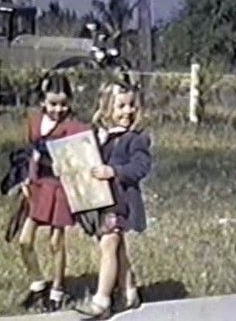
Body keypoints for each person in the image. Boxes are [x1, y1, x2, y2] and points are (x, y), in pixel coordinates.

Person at [75, 79, 151, 319]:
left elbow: (141, 167)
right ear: (107, 108)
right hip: (102, 201)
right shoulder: (100, 136)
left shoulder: (135, 139)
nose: (127, 112)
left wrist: (115, 171)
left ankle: (102, 301)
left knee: (109, 244)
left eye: (131, 106)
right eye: (121, 106)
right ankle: (129, 291)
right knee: (116, 248)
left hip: (120, 202)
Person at [18, 72, 88, 312]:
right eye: (53, 104)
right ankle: (38, 283)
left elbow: (84, 155)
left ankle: (57, 289)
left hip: (59, 188)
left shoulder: (74, 127)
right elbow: (32, 152)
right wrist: (27, 178)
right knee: (24, 240)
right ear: (43, 102)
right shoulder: (35, 122)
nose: (58, 109)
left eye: (63, 104)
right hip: (38, 186)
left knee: (56, 241)